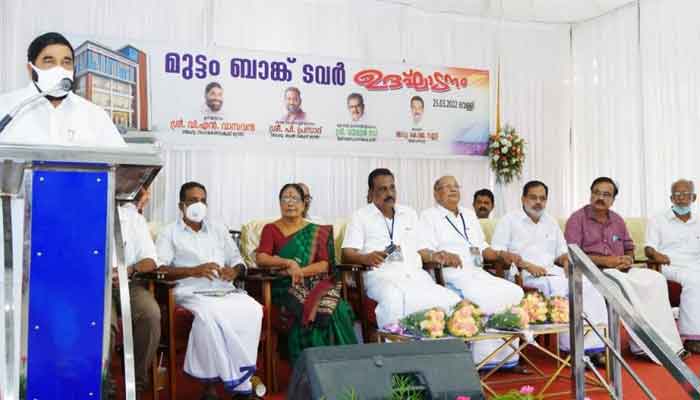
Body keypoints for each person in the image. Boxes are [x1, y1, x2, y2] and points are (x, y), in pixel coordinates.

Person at [156, 181, 262, 399]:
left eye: (203, 200)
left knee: (253, 309)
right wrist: (193, 270)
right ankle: (212, 386)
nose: (199, 204)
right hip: (189, 291)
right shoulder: (169, 232)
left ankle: (240, 380)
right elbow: (160, 269)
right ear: (181, 205)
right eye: (193, 200)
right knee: (210, 317)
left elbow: (238, 261)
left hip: (224, 290)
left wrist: (234, 271)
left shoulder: (218, 229)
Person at [565, 176, 686, 363]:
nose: (600, 198)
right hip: (592, 271)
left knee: (656, 279)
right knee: (621, 283)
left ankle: (660, 343)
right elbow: (572, 253)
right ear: (590, 194)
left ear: (613, 200)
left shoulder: (617, 220)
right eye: (596, 192)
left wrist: (628, 258)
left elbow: (629, 247)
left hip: (621, 269)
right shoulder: (577, 219)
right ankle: (644, 345)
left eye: (606, 195)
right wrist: (607, 261)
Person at [491, 180, 608, 367]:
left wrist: (566, 261)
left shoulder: (550, 221)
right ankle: (572, 350)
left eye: (542, 198)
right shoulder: (509, 220)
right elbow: (498, 253)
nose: (538, 202)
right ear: (523, 199)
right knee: (564, 289)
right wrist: (526, 265)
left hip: (551, 272)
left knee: (590, 286)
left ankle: (595, 348)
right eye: (533, 197)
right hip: (522, 275)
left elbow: (561, 252)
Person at [418, 176, 524, 368]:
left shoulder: (468, 214)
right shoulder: (428, 216)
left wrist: (501, 254)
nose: (453, 190)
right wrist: (441, 256)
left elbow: (482, 247)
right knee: (483, 296)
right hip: (451, 273)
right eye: (447, 187)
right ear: (436, 193)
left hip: (477, 271)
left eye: (456, 186)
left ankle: (508, 359)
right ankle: (481, 360)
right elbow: (424, 251)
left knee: (514, 291)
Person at [341, 168, 461, 328]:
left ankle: (436, 342)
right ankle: (395, 342)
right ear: (371, 192)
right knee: (393, 298)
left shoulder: (409, 213)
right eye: (383, 189)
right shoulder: (360, 216)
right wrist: (365, 258)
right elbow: (347, 253)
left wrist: (436, 255)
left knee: (451, 301)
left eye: (392, 187)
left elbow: (421, 249)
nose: (389, 193)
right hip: (381, 277)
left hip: (416, 276)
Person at [255, 183, 357, 363]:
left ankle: (344, 364)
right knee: (306, 309)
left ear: (304, 204)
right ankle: (311, 366)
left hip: (314, 284)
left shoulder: (316, 231)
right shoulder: (270, 229)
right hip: (283, 287)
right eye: (285, 198)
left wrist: (299, 271)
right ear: (280, 203)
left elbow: (324, 265)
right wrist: (288, 262)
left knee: (338, 309)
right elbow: (261, 257)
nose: (290, 203)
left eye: (295, 198)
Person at [0, 32, 126, 147]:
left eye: (66, 62)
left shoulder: (95, 114)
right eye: (49, 61)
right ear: (31, 69)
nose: (59, 69)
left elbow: (120, 161)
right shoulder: (5, 107)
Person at [111, 187, 161, 399]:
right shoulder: (83, 213)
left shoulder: (133, 218)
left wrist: (129, 269)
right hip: (95, 285)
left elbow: (151, 260)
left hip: (129, 283)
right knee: (104, 323)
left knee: (150, 314)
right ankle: (105, 383)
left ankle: (137, 383)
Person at [644, 179, 700, 353]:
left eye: (685, 194)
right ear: (671, 198)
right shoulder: (658, 219)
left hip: (696, 264)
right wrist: (655, 254)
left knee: (695, 276)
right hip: (669, 265)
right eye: (677, 194)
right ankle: (691, 337)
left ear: (694, 197)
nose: (681, 198)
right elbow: (648, 248)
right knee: (694, 280)